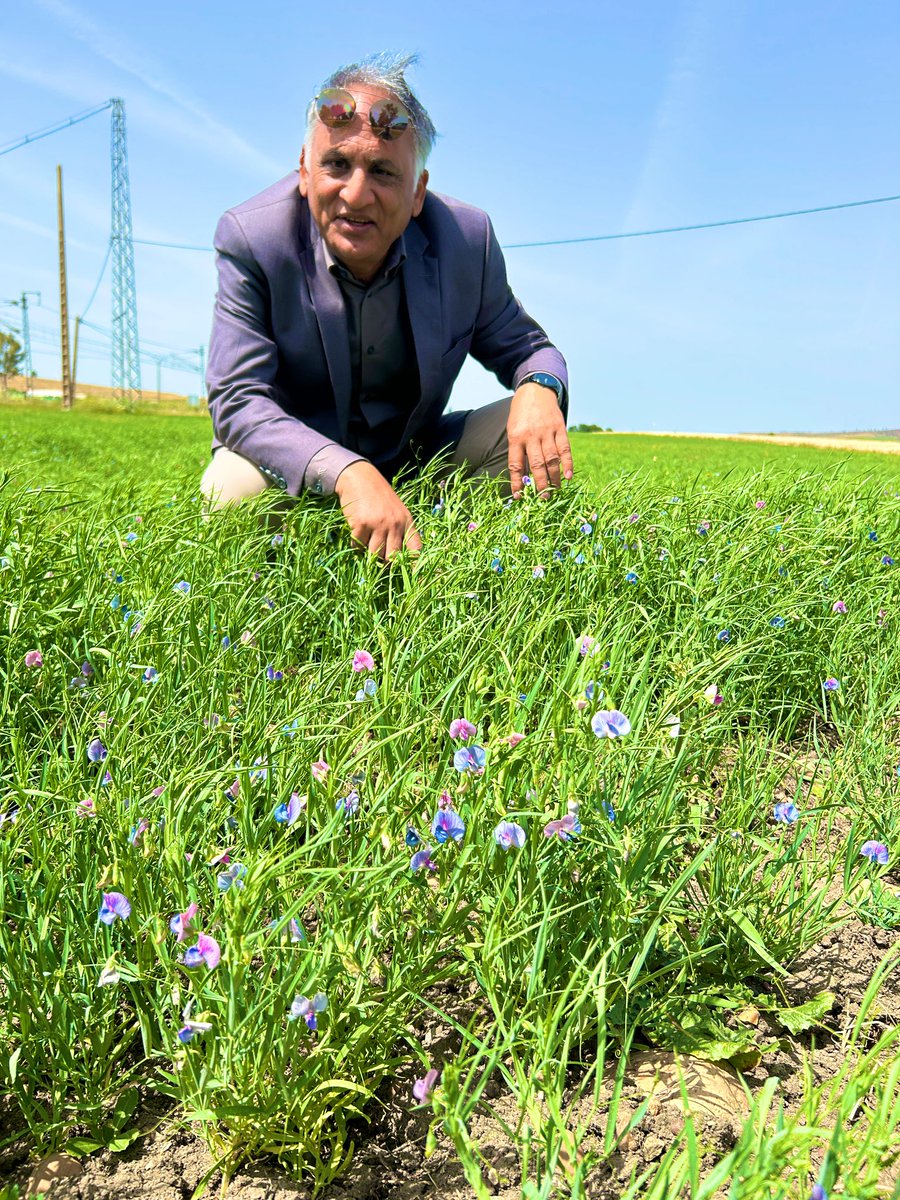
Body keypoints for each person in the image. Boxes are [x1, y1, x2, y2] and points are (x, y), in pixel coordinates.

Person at [202, 51, 572, 561]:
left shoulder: (467, 242)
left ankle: (464, 573)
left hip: (412, 458)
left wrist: (540, 386)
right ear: (305, 170)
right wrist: (344, 470)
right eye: (337, 164)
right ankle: (283, 590)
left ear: (418, 191)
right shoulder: (253, 239)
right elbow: (239, 400)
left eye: (382, 172)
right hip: (296, 466)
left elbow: (529, 347)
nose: (356, 194)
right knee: (231, 490)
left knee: (527, 430)